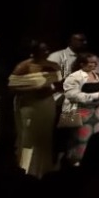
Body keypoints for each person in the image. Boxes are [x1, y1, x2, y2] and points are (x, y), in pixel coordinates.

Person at [8, 42, 60, 176]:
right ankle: (25, 169)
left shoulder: (53, 66)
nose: (47, 52)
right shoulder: (24, 66)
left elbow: (60, 85)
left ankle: (43, 170)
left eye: (48, 49)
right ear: (35, 52)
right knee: (28, 138)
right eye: (43, 50)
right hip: (29, 104)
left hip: (46, 104)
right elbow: (11, 87)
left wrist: (51, 90)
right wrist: (33, 88)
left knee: (44, 138)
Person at [59, 53, 99, 165]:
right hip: (81, 112)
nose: (94, 65)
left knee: (93, 139)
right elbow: (72, 95)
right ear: (82, 64)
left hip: (95, 113)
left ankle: (90, 162)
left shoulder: (96, 76)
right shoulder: (74, 77)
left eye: (96, 63)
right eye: (91, 63)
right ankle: (76, 162)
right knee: (80, 139)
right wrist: (96, 95)